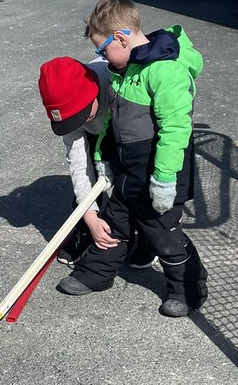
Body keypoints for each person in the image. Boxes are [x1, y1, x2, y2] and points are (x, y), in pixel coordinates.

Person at [55, 0, 207, 318]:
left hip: (158, 172)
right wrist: (102, 157)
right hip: (126, 169)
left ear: (121, 38)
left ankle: (186, 288)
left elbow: (176, 128)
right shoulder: (121, 69)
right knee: (115, 223)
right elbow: (110, 122)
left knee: (163, 233)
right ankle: (96, 273)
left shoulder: (165, 72)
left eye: (102, 49)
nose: (101, 57)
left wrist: (164, 180)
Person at [37, 56, 157, 269]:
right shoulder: (70, 116)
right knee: (89, 170)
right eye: (70, 121)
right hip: (96, 133)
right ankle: (85, 229)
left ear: (92, 92)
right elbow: (78, 164)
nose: (78, 122)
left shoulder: (120, 83)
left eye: (82, 115)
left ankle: (148, 236)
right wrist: (89, 215)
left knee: (136, 179)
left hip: (134, 129)